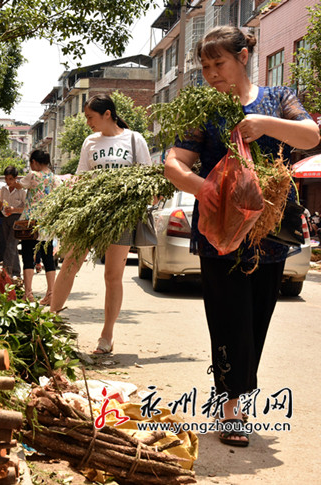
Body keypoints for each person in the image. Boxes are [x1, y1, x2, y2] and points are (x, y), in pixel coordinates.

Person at [163, 26, 319, 447]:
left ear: (245, 55)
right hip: (220, 228)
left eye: (220, 64)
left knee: (256, 317)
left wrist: (261, 124)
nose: (212, 74)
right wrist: (204, 188)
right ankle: (232, 407)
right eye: (206, 66)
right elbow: (174, 161)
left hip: (269, 228)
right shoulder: (201, 109)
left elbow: (311, 136)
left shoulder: (278, 99)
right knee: (227, 315)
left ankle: (238, 396)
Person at [49, 94, 151, 354]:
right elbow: (82, 177)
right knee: (70, 262)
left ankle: (107, 335)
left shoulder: (133, 139)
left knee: (112, 275)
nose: (88, 123)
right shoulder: (90, 142)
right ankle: (50, 320)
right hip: (90, 212)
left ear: (108, 114)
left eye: (90, 117)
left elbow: (146, 177)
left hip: (120, 216)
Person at [12, 150, 59, 303]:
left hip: (30, 224)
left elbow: (19, 185)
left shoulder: (32, 175)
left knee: (27, 258)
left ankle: (28, 294)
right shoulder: (54, 178)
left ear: (34, 162)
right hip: (47, 224)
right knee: (48, 260)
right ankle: (51, 294)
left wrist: (14, 181)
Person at [0, 166, 25, 278]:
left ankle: (6, 272)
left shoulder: (22, 191)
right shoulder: (3, 189)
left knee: (11, 245)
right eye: (6, 179)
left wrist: (14, 210)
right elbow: (0, 204)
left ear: (16, 178)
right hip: (5, 218)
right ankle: (16, 272)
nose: (8, 181)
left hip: (18, 219)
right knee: (10, 246)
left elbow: (27, 208)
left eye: (10, 179)